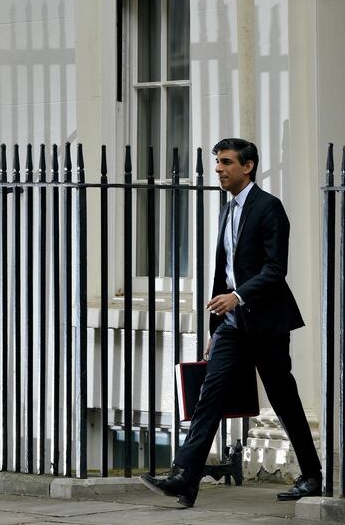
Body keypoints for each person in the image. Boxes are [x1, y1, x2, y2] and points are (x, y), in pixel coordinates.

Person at [139, 138, 322, 507]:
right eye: (218, 162)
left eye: (225, 162)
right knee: (210, 396)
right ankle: (185, 477)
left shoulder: (269, 208)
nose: (219, 169)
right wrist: (216, 328)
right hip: (233, 326)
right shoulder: (228, 211)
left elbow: (275, 269)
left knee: (284, 400)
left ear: (248, 166)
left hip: (267, 324)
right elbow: (225, 272)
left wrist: (237, 296)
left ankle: (313, 475)